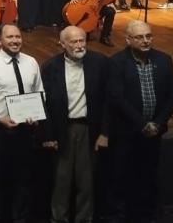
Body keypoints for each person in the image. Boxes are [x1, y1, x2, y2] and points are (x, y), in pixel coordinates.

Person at [108, 21, 173, 223]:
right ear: (128, 40)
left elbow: (172, 95)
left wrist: (158, 123)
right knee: (122, 176)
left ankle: (149, 216)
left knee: (149, 176)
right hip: (127, 132)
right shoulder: (116, 62)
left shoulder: (164, 59)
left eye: (149, 36)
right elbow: (117, 98)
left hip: (155, 131)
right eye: (139, 37)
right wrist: (142, 125)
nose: (146, 40)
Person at [0, 24, 45, 223]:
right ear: (0, 41)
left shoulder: (31, 62)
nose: (15, 41)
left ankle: (20, 219)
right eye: (10, 37)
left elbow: (40, 91)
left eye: (18, 37)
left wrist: (36, 113)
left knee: (23, 179)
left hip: (26, 130)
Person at [41, 26, 111, 223]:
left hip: (88, 129)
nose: (79, 45)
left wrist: (105, 133)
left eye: (82, 40)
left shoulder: (100, 63)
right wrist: (48, 135)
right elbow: (44, 104)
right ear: (62, 44)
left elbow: (108, 101)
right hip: (63, 130)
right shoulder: (50, 67)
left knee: (86, 182)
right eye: (74, 41)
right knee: (61, 181)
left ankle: (84, 219)